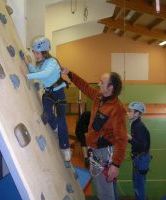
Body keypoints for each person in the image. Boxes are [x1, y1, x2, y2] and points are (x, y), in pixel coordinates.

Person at [62, 68, 128, 200]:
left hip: (104, 153)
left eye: (102, 82)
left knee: (105, 192)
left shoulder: (117, 109)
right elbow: (85, 86)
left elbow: (121, 139)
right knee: (101, 188)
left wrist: (115, 165)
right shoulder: (99, 97)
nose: (98, 84)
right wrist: (69, 73)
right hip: (95, 150)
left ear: (111, 87)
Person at [24, 36, 71, 161]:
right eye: (34, 52)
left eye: (37, 52)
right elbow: (37, 71)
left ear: (44, 52)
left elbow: (45, 74)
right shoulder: (42, 64)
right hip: (48, 93)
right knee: (47, 114)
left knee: (62, 119)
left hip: (58, 92)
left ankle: (65, 147)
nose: (35, 55)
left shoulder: (52, 62)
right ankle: (55, 127)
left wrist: (28, 76)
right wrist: (27, 65)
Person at [127, 102, 151, 200]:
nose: (128, 113)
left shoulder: (139, 126)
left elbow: (142, 146)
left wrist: (129, 138)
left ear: (137, 114)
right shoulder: (135, 124)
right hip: (139, 157)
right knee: (137, 182)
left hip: (141, 158)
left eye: (130, 111)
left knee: (139, 183)